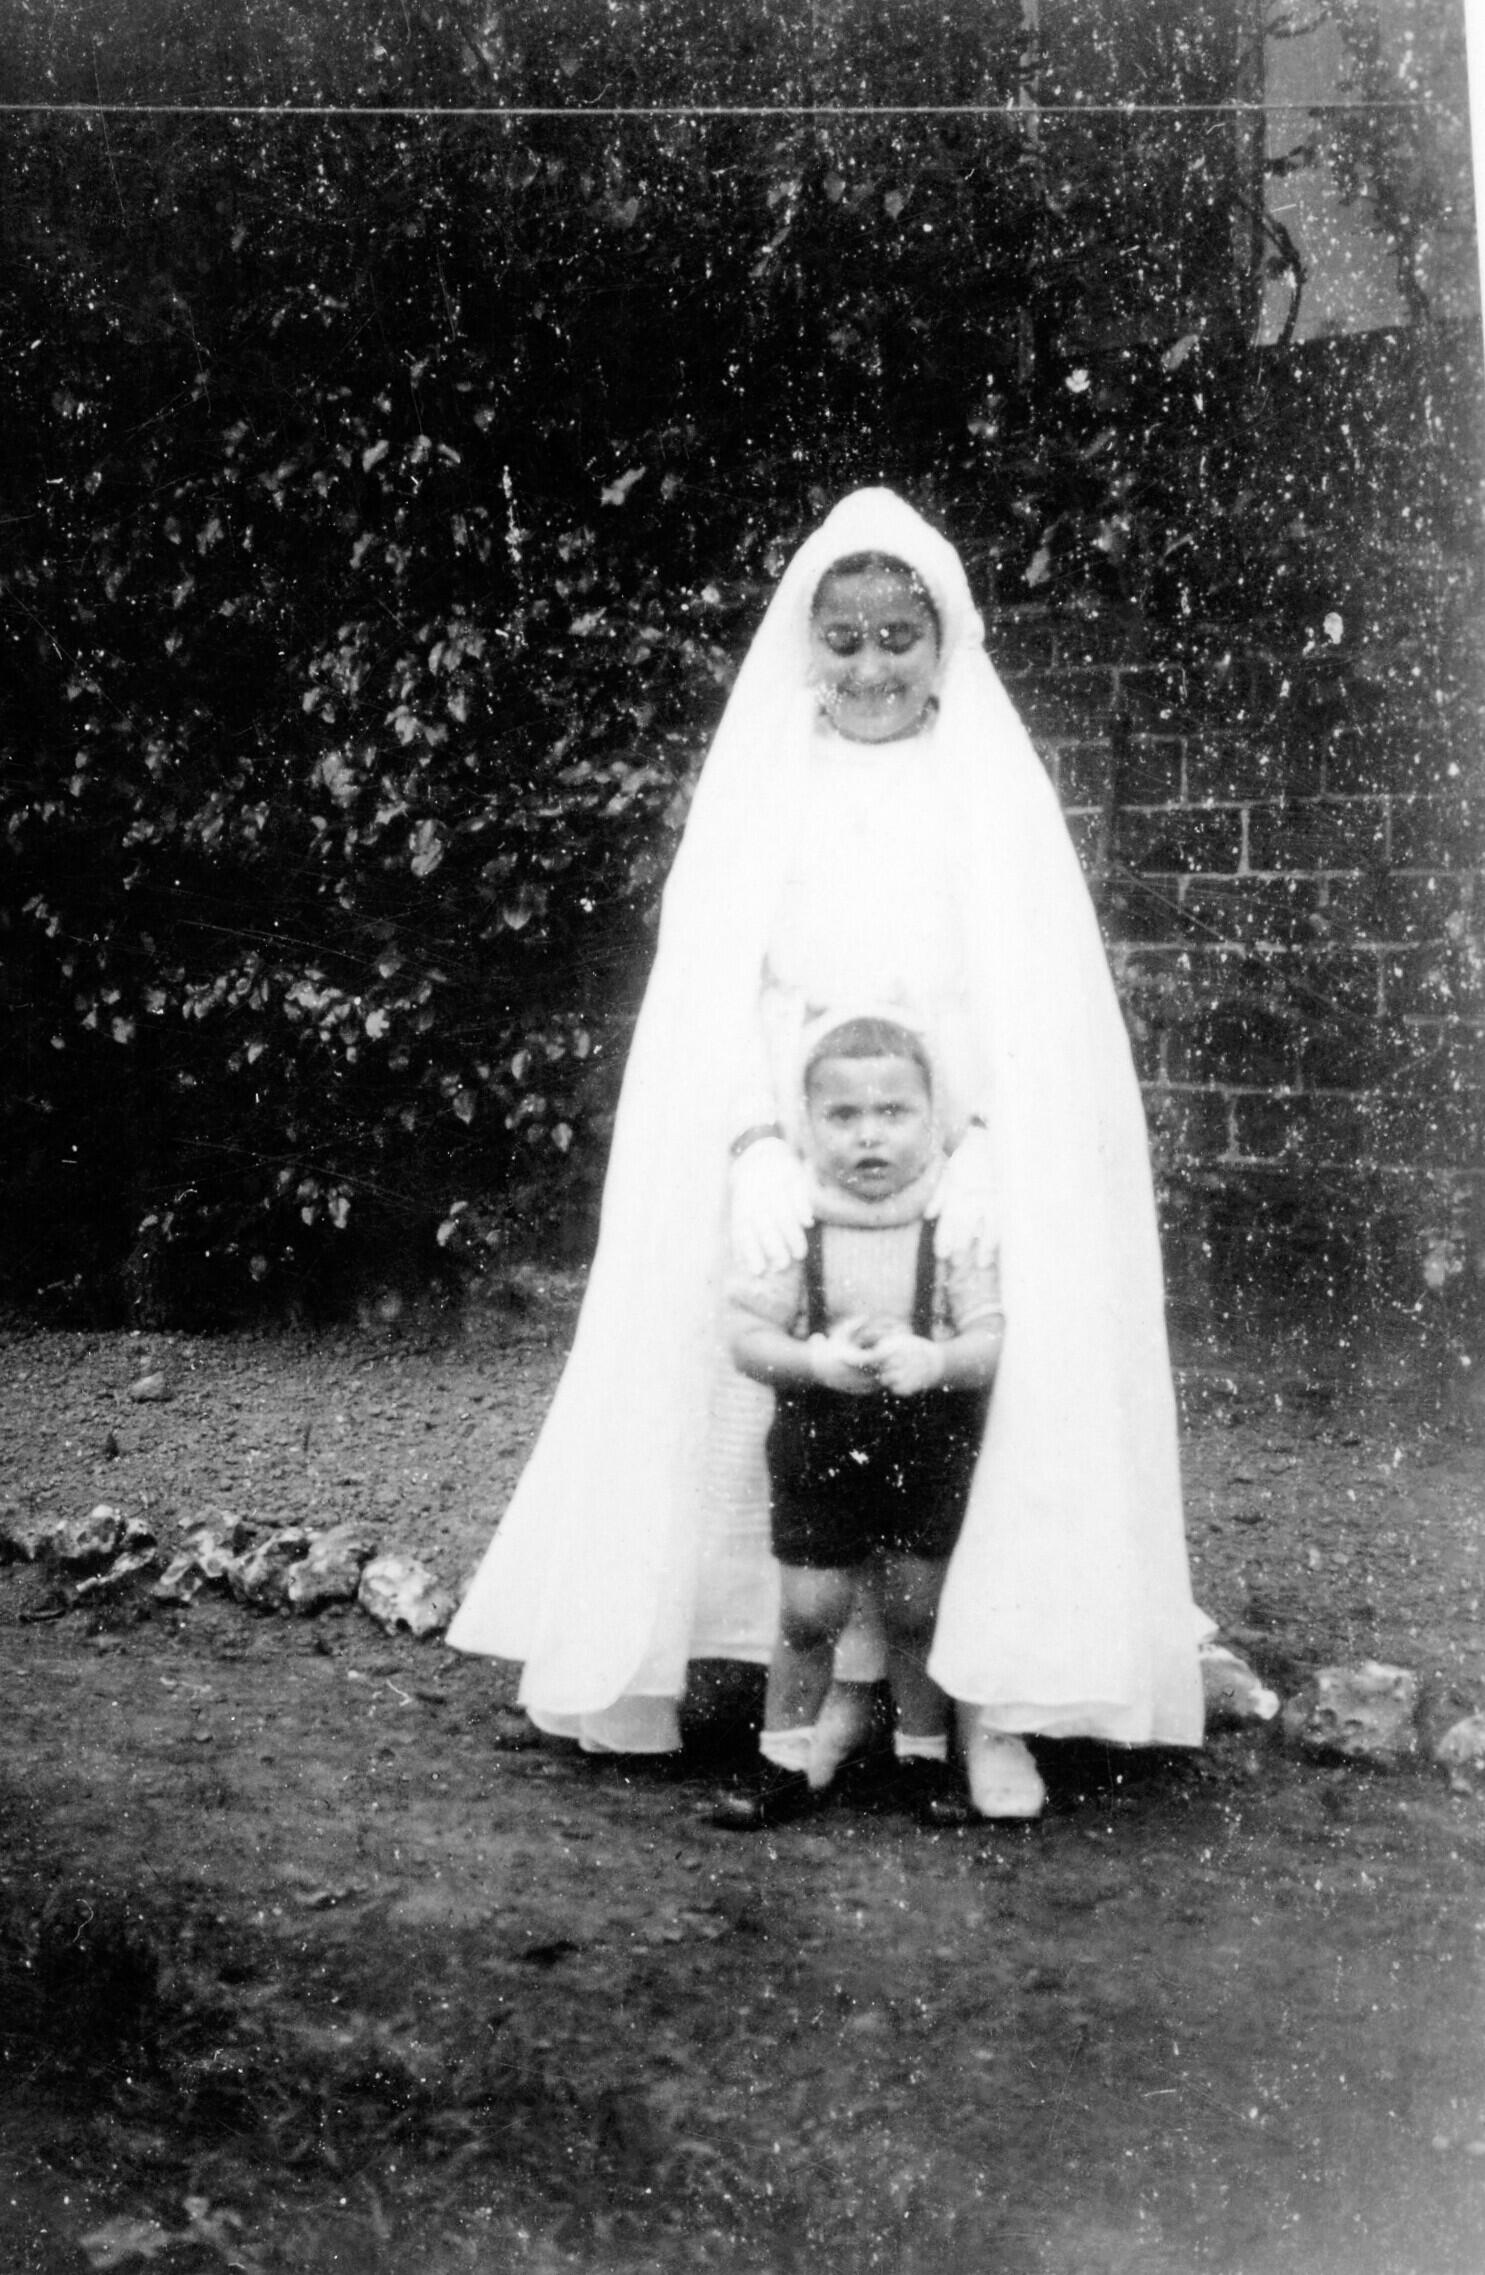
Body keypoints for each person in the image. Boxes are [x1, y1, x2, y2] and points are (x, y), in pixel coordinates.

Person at [446, 486, 1205, 1807]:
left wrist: (989, 1146)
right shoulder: (766, 786)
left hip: (959, 1131)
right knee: (804, 1407)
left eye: (898, 638)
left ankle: (992, 1699)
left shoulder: (989, 787)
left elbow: (1029, 995)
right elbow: (722, 985)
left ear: (942, 642)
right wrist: (753, 1140)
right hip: (807, 1131)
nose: (869, 668)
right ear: (808, 645)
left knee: (983, 1396)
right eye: (842, 640)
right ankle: (832, 1679)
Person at [714, 1013, 1003, 1832]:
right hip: (818, 1442)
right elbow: (744, 1335)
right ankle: (783, 1760)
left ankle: (922, 1756)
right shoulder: (797, 1218)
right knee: (810, 1610)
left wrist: (936, 1359)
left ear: (932, 1117)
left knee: (916, 1609)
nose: (868, 1135)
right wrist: (814, 1361)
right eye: (842, 1116)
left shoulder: (950, 1219)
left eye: (892, 1112)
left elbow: (991, 1338)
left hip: (926, 1442)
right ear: (807, 1124)